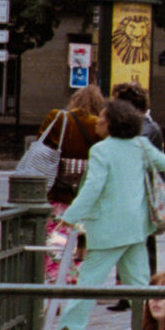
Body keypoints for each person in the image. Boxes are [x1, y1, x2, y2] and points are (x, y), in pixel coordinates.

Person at [54, 99, 165, 330]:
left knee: (90, 279)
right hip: (137, 225)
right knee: (138, 281)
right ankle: (152, 327)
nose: (98, 122)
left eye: (102, 119)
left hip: (108, 226)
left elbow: (93, 188)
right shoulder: (140, 144)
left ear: (112, 124)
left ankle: (72, 328)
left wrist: (70, 216)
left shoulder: (101, 150)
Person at [37, 85, 108, 284]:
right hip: (85, 196)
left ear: (75, 100)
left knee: (55, 239)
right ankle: (72, 279)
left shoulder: (59, 119)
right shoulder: (99, 126)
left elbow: (42, 144)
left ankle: (55, 281)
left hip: (58, 190)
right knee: (79, 240)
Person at [108, 82, 165, 305]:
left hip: (140, 194)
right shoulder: (145, 126)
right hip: (136, 193)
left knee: (141, 244)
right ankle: (128, 292)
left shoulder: (144, 128)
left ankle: (138, 293)